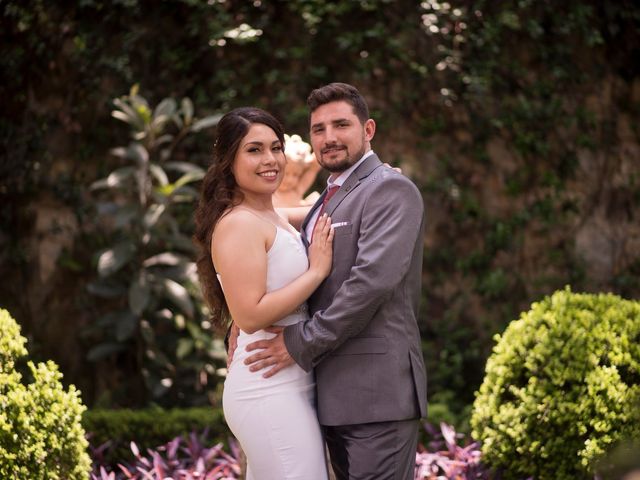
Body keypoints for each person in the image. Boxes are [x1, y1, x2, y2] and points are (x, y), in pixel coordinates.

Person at [243, 83, 427, 480]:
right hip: (330, 395)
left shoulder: (390, 189)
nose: (329, 138)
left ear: (369, 130)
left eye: (341, 125)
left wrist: (299, 341)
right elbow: (270, 234)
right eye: (318, 129)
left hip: (378, 396)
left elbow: (370, 285)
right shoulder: (327, 197)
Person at [193, 107, 335, 480]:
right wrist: (317, 270)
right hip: (266, 388)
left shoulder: (269, 214)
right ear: (229, 161)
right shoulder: (238, 223)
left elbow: (321, 209)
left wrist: (376, 188)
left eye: (275, 147)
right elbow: (250, 315)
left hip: (290, 381)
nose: (270, 160)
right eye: (254, 150)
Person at [273, 133, 321, 208]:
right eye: (286, 173)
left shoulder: (297, 191)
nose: (289, 179)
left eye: (295, 175)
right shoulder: (269, 193)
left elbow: (313, 169)